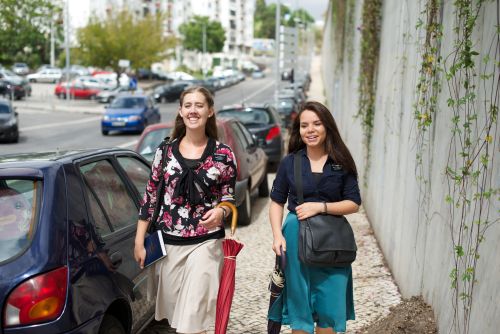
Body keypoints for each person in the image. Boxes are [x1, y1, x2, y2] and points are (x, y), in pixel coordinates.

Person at [134, 86, 237, 334]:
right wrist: (139, 241)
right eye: (188, 105)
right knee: (176, 317)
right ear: (180, 111)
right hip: (169, 244)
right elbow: (149, 196)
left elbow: (229, 197)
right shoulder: (165, 151)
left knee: (193, 315)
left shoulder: (224, 154)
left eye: (199, 105)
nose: (193, 110)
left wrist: (222, 212)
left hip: (206, 242)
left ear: (210, 111)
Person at [268, 101, 361, 334]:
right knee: (299, 306)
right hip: (295, 239)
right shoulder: (290, 162)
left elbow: (354, 203)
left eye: (316, 124)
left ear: (327, 126)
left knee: (329, 307)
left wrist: (320, 207)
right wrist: (277, 235)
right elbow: (276, 201)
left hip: (333, 242)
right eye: (304, 125)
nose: (310, 130)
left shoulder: (341, 160)